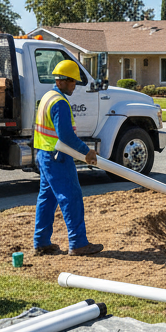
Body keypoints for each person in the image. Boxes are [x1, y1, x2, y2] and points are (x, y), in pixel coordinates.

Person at [32, 60, 104, 256]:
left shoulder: (48, 96)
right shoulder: (60, 103)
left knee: (47, 199)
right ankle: (78, 243)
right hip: (58, 157)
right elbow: (66, 136)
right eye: (72, 81)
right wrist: (86, 151)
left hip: (45, 154)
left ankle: (41, 242)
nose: (74, 85)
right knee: (71, 197)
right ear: (61, 81)